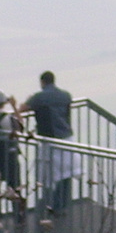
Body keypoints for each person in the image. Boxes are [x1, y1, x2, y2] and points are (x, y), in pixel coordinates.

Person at [24, 70, 78, 212]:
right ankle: (62, 204)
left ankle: (50, 205)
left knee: (48, 175)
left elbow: (23, 109)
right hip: (67, 138)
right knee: (66, 173)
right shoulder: (66, 95)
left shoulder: (39, 97)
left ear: (42, 82)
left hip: (50, 140)